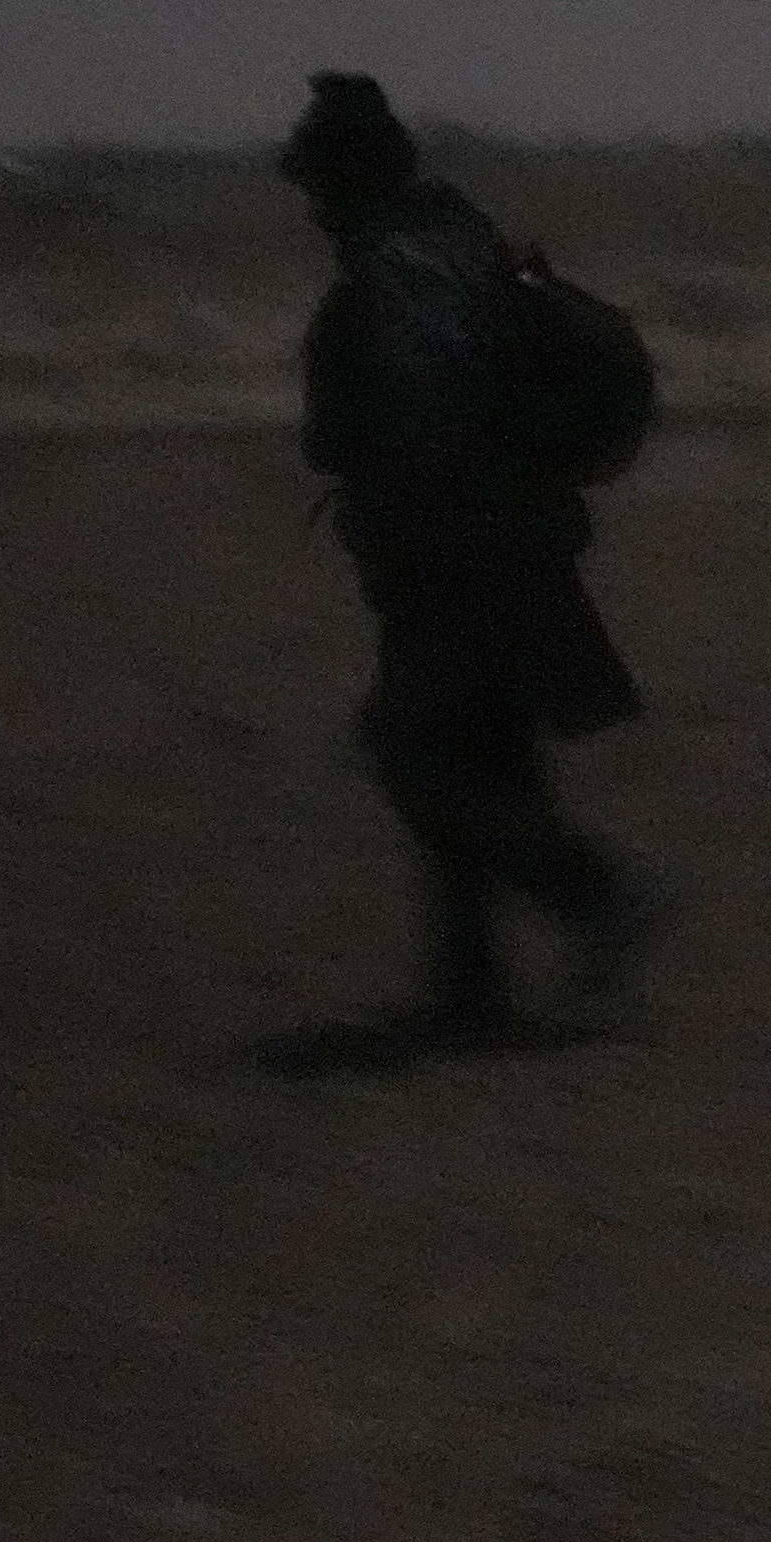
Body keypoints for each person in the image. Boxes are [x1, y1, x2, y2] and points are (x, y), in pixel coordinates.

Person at [281, 71, 654, 1048]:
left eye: (317, 180)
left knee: (413, 749)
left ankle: (595, 895)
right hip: (516, 541)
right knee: (488, 755)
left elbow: (360, 431)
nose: (311, 204)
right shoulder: (470, 243)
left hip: (452, 553)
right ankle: (471, 986)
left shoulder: (387, 279)